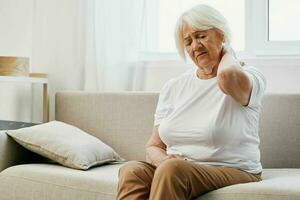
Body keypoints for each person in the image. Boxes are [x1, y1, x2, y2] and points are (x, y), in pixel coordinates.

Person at [117, 4, 266, 200]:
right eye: (188, 42)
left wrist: (227, 53)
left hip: (234, 170)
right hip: (180, 169)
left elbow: (227, 76)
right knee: (132, 171)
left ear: (221, 35)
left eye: (201, 36)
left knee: (173, 170)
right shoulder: (174, 86)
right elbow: (153, 146)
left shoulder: (249, 77)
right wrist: (163, 161)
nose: (195, 46)